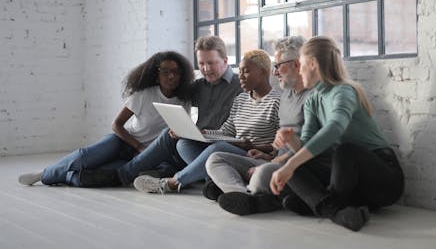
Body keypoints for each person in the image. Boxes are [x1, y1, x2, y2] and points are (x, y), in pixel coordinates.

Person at [66, 36, 244, 188]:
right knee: (178, 141)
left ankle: (121, 176)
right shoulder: (197, 87)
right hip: (198, 142)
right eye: (202, 64)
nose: (205, 69)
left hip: (222, 142)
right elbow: (182, 104)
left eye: (211, 63)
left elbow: (242, 127)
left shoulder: (240, 86)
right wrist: (183, 129)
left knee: (197, 149)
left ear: (225, 61)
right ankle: (203, 176)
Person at [269, 36, 404, 232]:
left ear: (313, 64)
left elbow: (334, 129)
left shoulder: (344, 91)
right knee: (293, 164)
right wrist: (291, 142)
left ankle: (317, 206)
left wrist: (290, 164)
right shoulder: (312, 101)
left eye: (303, 65)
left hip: (383, 181)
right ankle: (337, 212)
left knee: (344, 151)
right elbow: (306, 145)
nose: (299, 70)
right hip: (350, 186)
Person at [18, 51, 194, 187]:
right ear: (157, 75)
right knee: (83, 157)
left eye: (175, 72)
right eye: (165, 72)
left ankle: (60, 175)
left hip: (144, 154)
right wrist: (138, 145)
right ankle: (45, 174)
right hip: (123, 141)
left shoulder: (184, 101)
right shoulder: (143, 95)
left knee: (94, 176)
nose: (171, 76)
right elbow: (116, 124)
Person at [133, 49, 281, 194]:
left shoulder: (277, 102)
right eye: (240, 71)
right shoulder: (241, 99)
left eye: (246, 71)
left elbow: (281, 144)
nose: (241, 76)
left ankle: (171, 183)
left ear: (262, 72)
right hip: (236, 148)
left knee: (218, 147)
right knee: (184, 144)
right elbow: (227, 131)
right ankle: (211, 180)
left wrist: (255, 146)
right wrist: (202, 133)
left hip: (254, 154)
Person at [205, 36, 313, 216]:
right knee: (214, 158)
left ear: (295, 64)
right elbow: (280, 145)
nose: (275, 72)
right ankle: (241, 195)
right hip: (270, 158)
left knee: (261, 175)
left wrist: (269, 158)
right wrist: (268, 154)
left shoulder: (299, 98)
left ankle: (245, 193)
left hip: (293, 164)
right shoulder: (286, 97)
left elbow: (307, 145)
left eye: (278, 66)